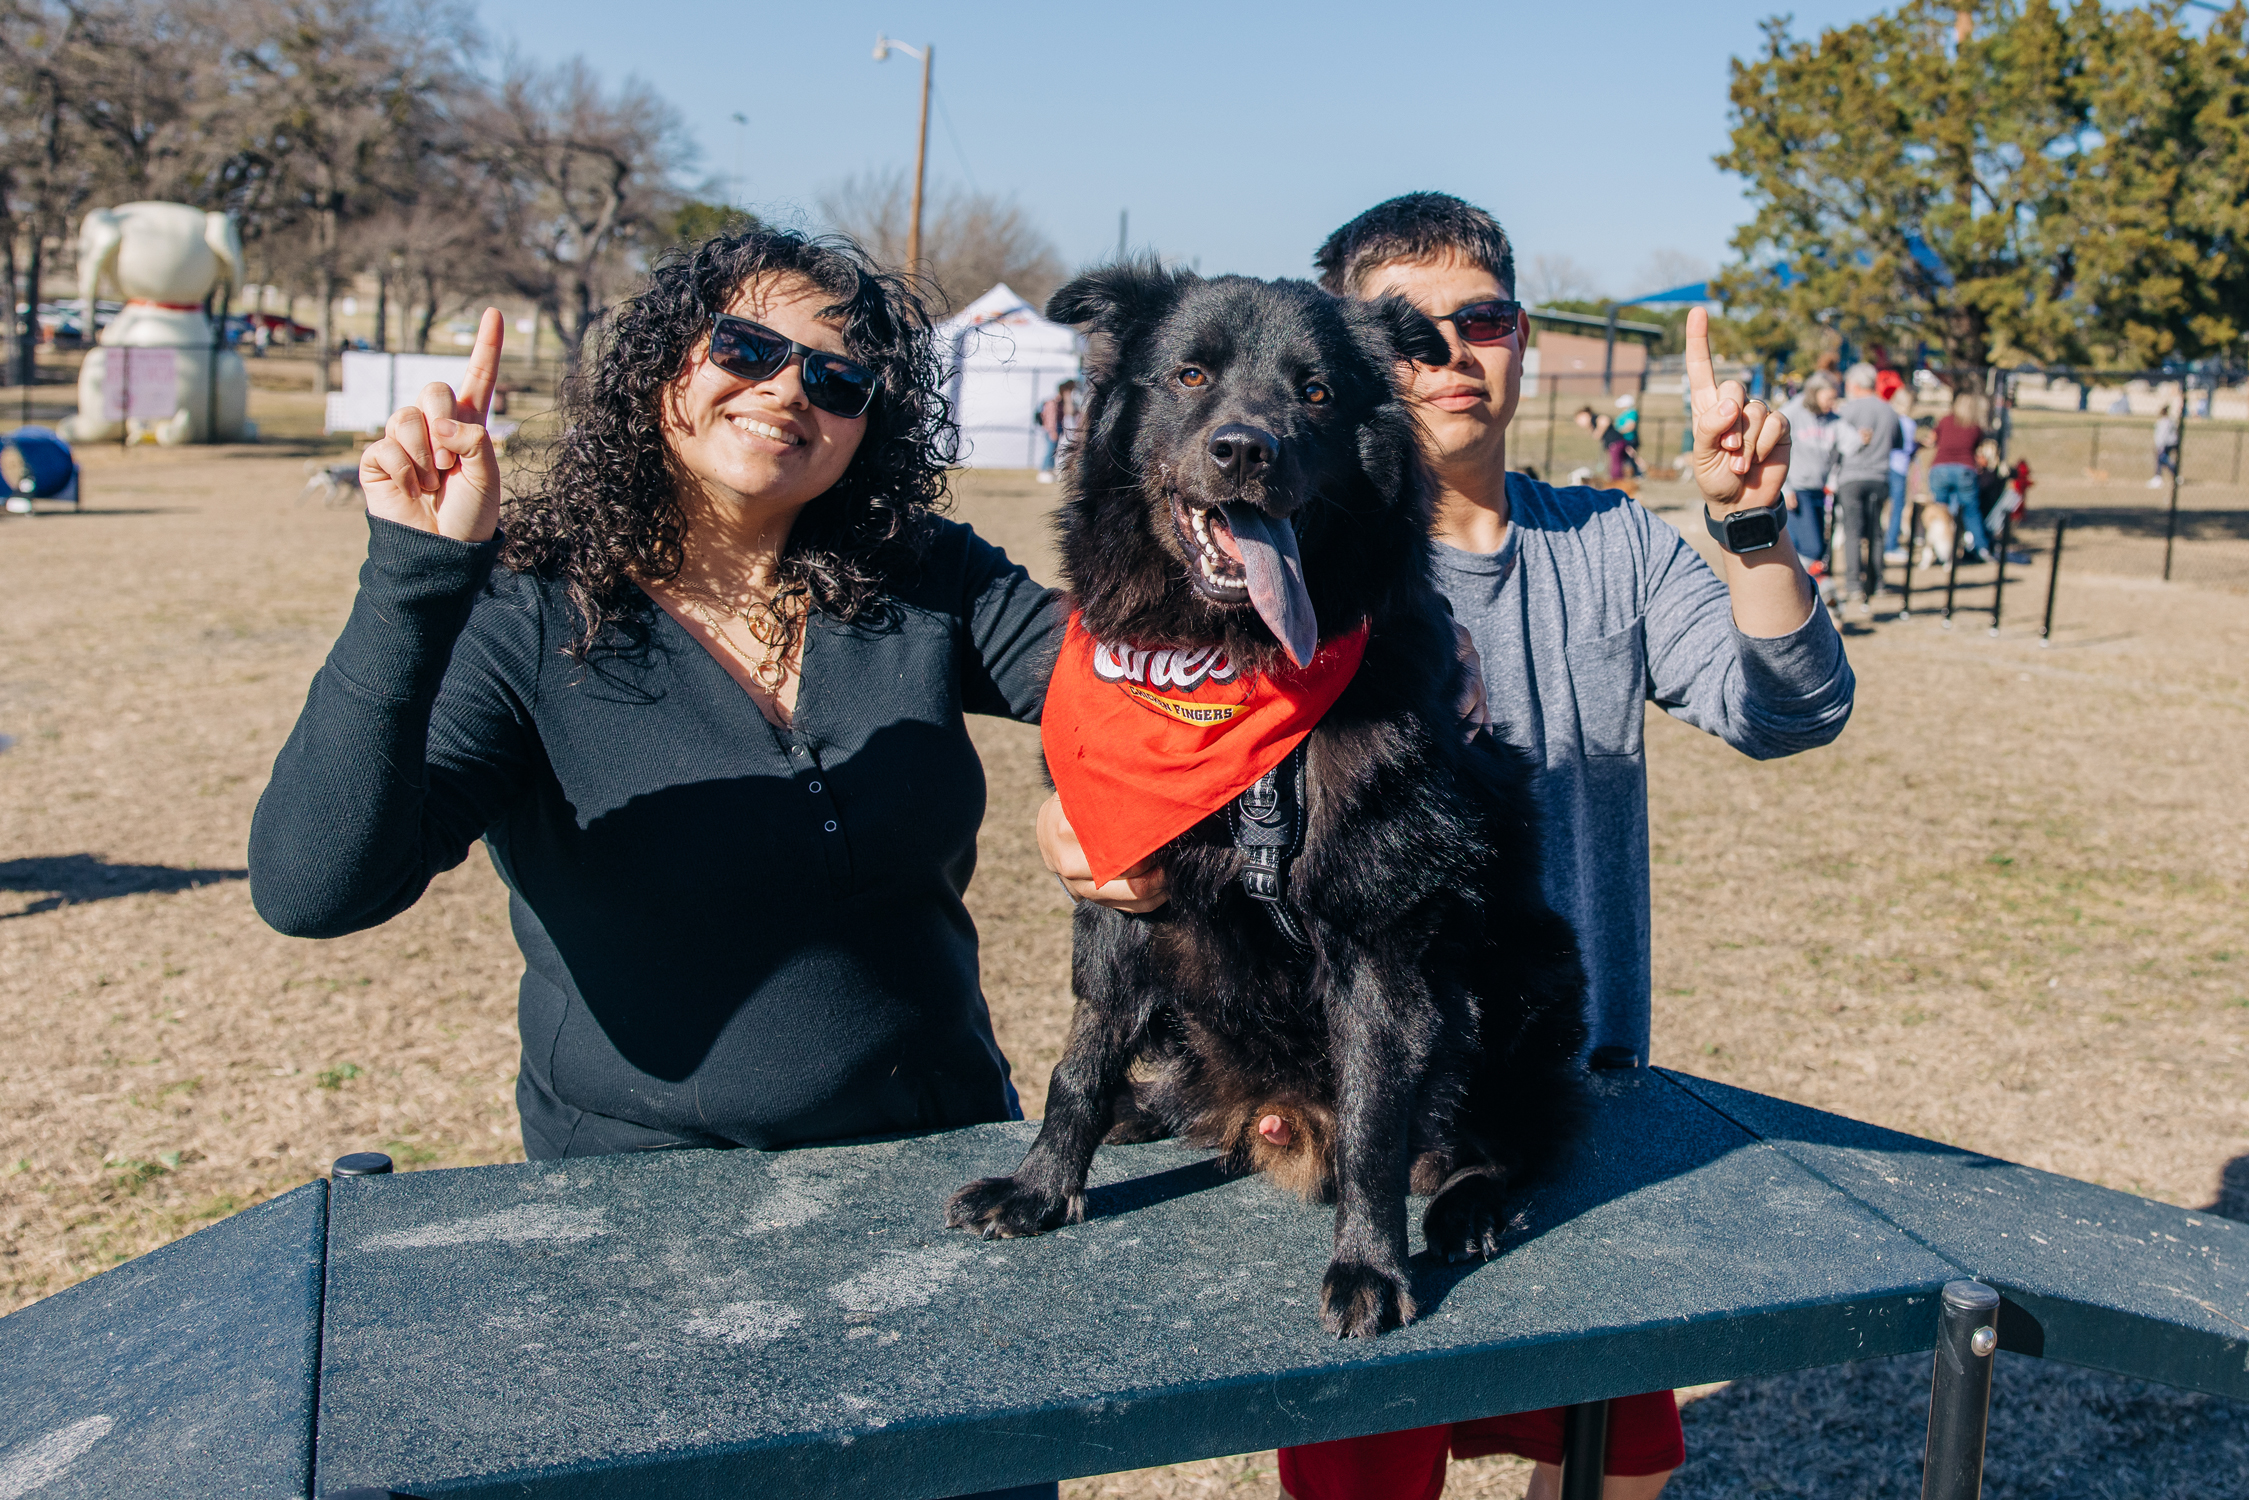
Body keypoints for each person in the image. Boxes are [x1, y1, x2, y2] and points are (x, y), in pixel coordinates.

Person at [1041, 191, 1856, 1500]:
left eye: (1485, 318)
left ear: (1521, 337)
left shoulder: (1611, 548)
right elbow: (1124, 763)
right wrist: (1070, 822)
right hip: (1329, 1108)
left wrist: (1754, 528)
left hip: (1533, 1090)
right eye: (1417, 328)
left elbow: (1795, 710)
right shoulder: (1235, 587)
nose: (1454, 353)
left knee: (1613, 1468)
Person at [248, 227, 1067, 1500]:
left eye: (839, 380)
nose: (792, 391)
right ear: (659, 368)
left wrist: (1096, 795)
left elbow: (1130, 688)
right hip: (643, 1232)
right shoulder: (525, 610)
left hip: (935, 1187)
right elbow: (316, 888)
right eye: (747, 348)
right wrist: (416, 574)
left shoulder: (923, 578)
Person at [1832, 362, 1903, 609]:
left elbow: (1835, 444)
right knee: (1876, 532)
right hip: (1880, 476)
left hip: (1851, 477)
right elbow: (1898, 443)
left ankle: (1853, 584)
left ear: (1855, 385)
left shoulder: (1846, 410)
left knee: (1852, 532)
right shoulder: (1889, 411)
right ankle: (1877, 582)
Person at [1776, 374, 1841, 583]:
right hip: (1796, 490)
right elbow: (1776, 452)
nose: (1832, 403)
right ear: (1814, 393)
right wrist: (1785, 488)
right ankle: (1798, 586)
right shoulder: (1790, 413)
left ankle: (1803, 587)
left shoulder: (1827, 418)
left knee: (1817, 547)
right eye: (1829, 397)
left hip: (1818, 489)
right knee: (1810, 547)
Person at [1927, 392, 1995, 562]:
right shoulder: (1975, 427)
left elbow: (1933, 440)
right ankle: (1982, 548)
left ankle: (1937, 550)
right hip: (1965, 470)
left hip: (1940, 468)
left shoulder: (1945, 420)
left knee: (1940, 511)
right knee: (1971, 511)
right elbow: (1977, 448)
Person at [1882, 386, 1917, 564]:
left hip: (1883, 466)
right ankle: (1891, 545)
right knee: (1897, 508)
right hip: (1900, 468)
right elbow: (1908, 448)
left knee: (1881, 507)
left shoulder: (1887, 418)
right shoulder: (1909, 423)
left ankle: (1880, 541)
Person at [2151, 404, 2178, 489]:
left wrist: (2159, 445)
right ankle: (2158, 477)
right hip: (2171, 443)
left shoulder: (2163, 422)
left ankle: (2174, 472)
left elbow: (2162, 435)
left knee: (2162, 459)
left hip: (2165, 444)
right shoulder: (2170, 421)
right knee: (2160, 460)